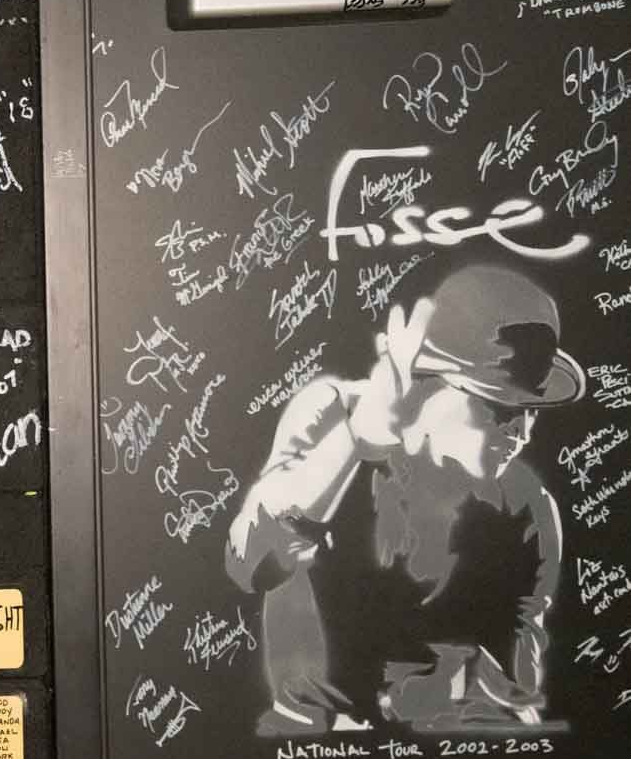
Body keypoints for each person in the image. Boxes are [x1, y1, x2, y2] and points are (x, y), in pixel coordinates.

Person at [226, 263, 585, 734]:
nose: (522, 432)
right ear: (427, 382)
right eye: (498, 406)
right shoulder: (334, 414)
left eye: (531, 411)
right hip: (309, 754)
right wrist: (356, 440)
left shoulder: (526, 504)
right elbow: (251, 565)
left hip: (445, 754)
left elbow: (519, 695)